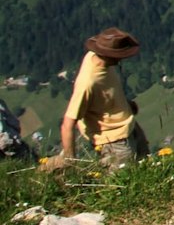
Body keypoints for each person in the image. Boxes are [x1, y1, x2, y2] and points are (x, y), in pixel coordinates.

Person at [44, 28, 149, 170]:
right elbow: (67, 124)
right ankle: (51, 169)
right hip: (113, 140)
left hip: (128, 125)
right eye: (120, 54)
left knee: (146, 165)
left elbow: (105, 93)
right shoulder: (88, 83)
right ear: (109, 55)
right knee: (124, 180)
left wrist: (124, 104)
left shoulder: (94, 56)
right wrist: (70, 159)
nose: (122, 58)